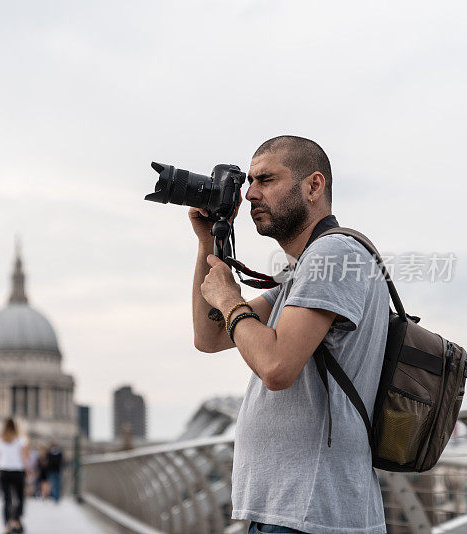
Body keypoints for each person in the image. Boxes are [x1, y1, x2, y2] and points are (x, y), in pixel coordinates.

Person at [191, 136, 388, 534]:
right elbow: (210, 337)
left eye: (265, 180)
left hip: (313, 514)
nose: (249, 194)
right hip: (288, 511)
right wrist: (207, 243)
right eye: (249, 182)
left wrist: (231, 299)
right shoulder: (297, 276)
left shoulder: (334, 254)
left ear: (314, 186)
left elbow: (277, 367)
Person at [0, 418, 29, 534]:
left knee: (7, 499)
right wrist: (28, 470)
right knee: (20, 498)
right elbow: (24, 457)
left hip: (4, 471)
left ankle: (7, 524)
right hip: (18, 471)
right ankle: (16, 520)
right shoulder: (21, 439)